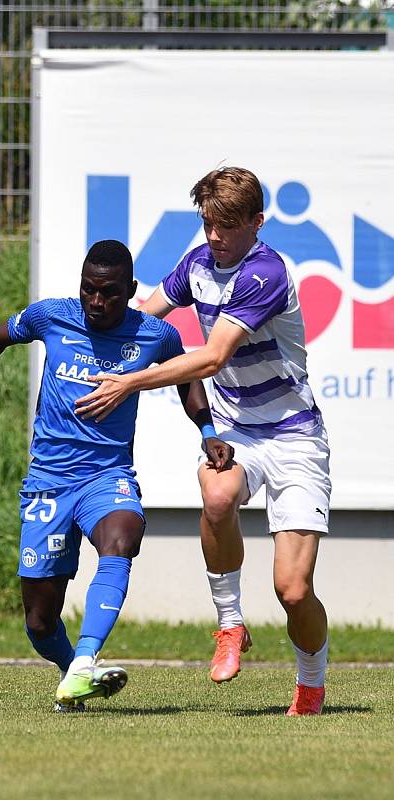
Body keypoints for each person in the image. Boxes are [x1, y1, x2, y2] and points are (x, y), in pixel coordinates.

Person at [0, 239, 233, 712]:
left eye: (108, 293)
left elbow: (187, 377)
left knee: (123, 535)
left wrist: (208, 432)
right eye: (89, 289)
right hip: (48, 482)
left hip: (107, 474)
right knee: (40, 622)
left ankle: (86, 660)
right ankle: (72, 674)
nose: (96, 301)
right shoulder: (52, 316)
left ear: (129, 290)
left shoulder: (154, 334)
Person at [75, 169, 331, 716]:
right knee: (216, 495)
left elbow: (213, 356)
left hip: (294, 437)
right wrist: (84, 340)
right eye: (209, 223)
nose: (215, 236)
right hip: (236, 430)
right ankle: (230, 625)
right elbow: (144, 317)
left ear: (256, 224)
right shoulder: (196, 263)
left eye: (228, 225)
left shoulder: (265, 273)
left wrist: (130, 381)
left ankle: (311, 682)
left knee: (292, 589)